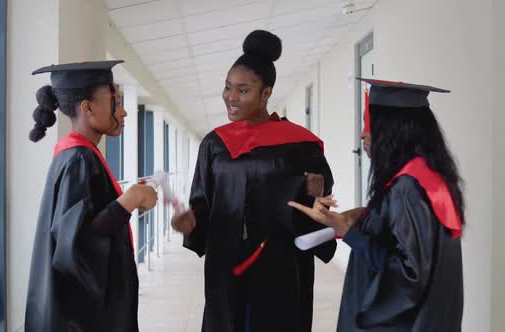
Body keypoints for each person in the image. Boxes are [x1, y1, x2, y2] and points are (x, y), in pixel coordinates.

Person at [171, 30, 336, 332]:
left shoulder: (300, 144)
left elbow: (319, 205)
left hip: (280, 265)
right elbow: (202, 202)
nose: (231, 98)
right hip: (226, 263)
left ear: (266, 93)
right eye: (227, 88)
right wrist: (192, 222)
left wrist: (317, 192)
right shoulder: (215, 143)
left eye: (243, 90)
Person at [290, 79, 465, 332]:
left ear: (395, 129)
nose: (363, 133)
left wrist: (349, 233)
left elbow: (408, 277)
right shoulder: (428, 177)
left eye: (369, 123)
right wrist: (369, 216)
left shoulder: (407, 188)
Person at [25, 60, 157, 332]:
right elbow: (76, 246)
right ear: (88, 108)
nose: (123, 112)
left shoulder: (77, 155)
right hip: (81, 319)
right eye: (115, 102)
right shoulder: (78, 160)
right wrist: (129, 200)